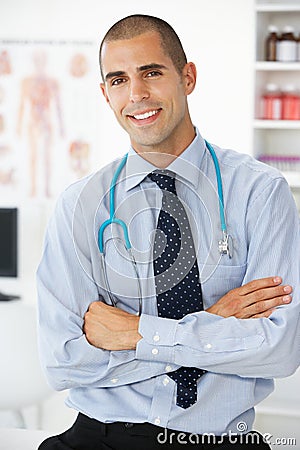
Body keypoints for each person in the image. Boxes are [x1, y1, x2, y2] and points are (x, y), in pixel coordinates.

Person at [37, 14, 300, 450]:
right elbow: (66, 363)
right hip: (97, 437)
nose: (136, 94)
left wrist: (135, 332)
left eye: (151, 73)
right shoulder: (81, 206)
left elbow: (279, 349)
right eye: (118, 80)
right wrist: (215, 324)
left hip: (216, 440)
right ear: (106, 94)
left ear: (187, 76)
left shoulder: (260, 192)